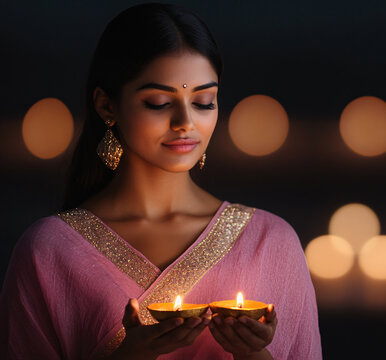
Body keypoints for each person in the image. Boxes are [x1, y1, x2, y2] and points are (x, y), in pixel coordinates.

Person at [0, 3, 322, 359]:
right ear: (107, 106)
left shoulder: (271, 244)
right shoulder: (48, 251)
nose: (185, 121)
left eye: (203, 101)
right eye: (158, 102)